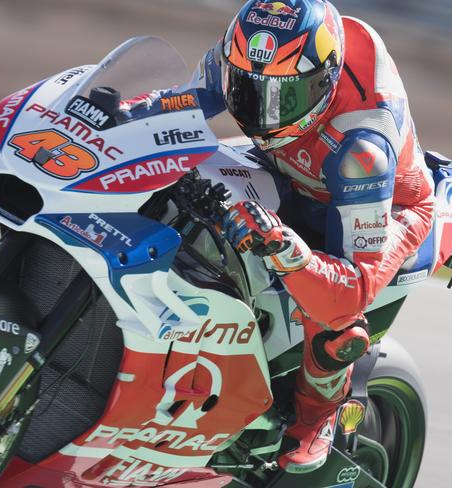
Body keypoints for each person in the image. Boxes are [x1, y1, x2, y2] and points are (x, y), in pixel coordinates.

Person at [183, 0, 435, 475]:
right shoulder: (246, 55)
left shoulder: (363, 147)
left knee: (334, 320)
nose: (260, 109)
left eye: (281, 97)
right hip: (292, 166)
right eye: (248, 88)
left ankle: (318, 414)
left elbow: (351, 289)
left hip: (380, 200)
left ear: (323, 81)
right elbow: (179, 108)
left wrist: (287, 249)